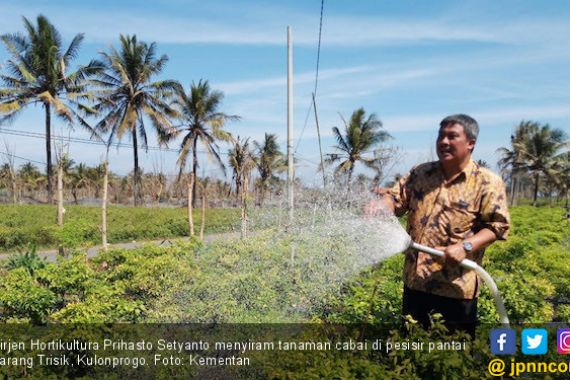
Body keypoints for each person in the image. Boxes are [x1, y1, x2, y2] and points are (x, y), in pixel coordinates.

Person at [365, 114, 510, 337]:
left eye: (452, 136)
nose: (444, 142)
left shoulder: (487, 182)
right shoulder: (420, 173)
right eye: (441, 136)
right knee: (410, 353)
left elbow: (497, 226)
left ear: (471, 143)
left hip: (456, 288)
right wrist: (382, 206)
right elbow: (396, 198)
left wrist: (466, 247)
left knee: (451, 360)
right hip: (415, 285)